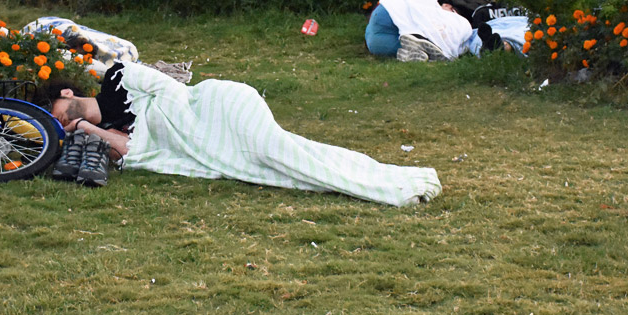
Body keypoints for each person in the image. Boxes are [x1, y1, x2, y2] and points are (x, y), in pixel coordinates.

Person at [39, 62, 442, 206]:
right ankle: (385, 179)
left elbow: (171, 92)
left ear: (67, 94)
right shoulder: (106, 133)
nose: (59, 121)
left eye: (55, 113)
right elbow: (138, 152)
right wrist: (88, 129)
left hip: (218, 107)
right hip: (209, 143)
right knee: (282, 158)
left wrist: (162, 127)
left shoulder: (117, 77)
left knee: (278, 151)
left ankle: (386, 186)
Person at [365, 0, 474, 61]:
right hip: (384, 27)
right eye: (453, 12)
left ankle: (415, 50)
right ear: (446, 5)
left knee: (378, 40)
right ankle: (417, 37)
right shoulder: (430, 1)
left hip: (377, 36)